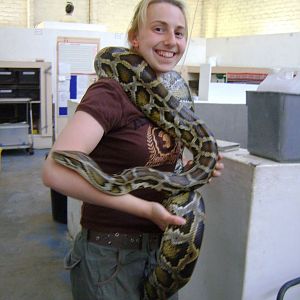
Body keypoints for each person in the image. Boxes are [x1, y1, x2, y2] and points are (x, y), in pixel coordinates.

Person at [42, 0, 224, 299]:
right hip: (110, 256)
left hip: (157, 249)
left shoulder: (175, 100)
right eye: (158, 28)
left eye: (179, 33)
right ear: (134, 37)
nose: (170, 40)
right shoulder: (110, 92)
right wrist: (146, 209)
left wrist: (195, 172)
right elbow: (53, 172)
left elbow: (163, 171)